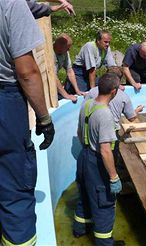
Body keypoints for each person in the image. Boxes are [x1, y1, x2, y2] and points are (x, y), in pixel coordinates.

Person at [0, 0, 55, 245]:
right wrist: (44, 118)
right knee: (15, 186)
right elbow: (27, 71)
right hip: (5, 101)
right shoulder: (11, 4)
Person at [73, 73, 122, 245]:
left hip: (83, 158)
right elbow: (105, 151)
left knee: (85, 196)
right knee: (104, 204)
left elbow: (80, 133)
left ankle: (79, 229)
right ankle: (104, 243)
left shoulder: (86, 105)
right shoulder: (105, 115)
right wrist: (114, 177)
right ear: (114, 92)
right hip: (96, 163)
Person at [54, 33, 85, 102]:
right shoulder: (51, 54)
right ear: (60, 47)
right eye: (68, 48)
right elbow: (53, 77)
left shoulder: (64, 52)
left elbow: (70, 71)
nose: (69, 50)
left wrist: (77, 90)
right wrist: (66, 95)